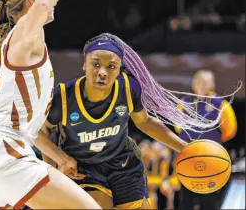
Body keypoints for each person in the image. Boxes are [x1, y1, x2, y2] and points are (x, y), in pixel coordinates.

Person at [42, 33, 229, 209]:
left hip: (123, 166)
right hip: (84, 168)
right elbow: (41, 132)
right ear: (84, 64)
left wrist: (184, 148)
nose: (102, 72)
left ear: (119, 69)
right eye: (96, 64)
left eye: (111, 66)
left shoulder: (128, 89)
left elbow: (145, 122)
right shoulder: (63, 97)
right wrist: (54, 168)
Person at [0, 0, 101, 209]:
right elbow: (42, 5)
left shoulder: (24, 41)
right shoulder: (25, 35)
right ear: (32, 0)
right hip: (4, 152)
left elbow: (27, 128)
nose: (53, 0)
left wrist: (60, 157)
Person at [174, 69, 238, 210]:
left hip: (212, 161)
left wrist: (209, 147)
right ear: (193, 84)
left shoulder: (221, 105)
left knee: (210, 202)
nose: (201, 85)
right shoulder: (184, 103)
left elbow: (230, 131)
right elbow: (178, 129)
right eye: (198, 82)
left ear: (211, 85)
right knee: (186, 202)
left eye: (204, 82)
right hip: (188, 160)